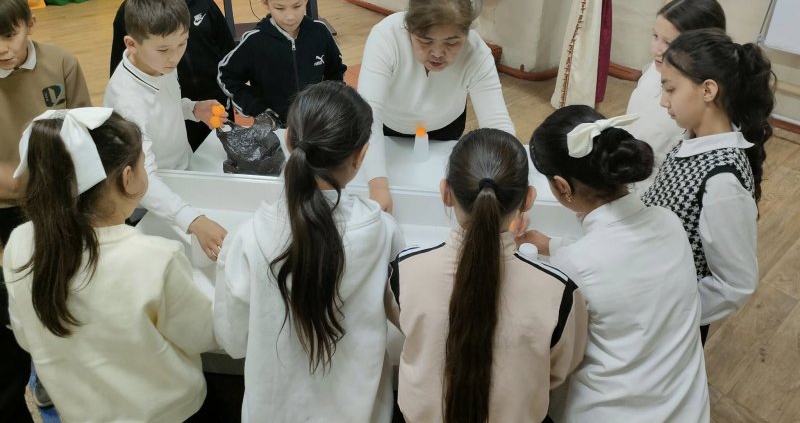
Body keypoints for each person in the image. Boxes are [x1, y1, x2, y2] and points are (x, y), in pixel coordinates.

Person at [3, 109, 216, 422]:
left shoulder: (20, 242)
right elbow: (202, 335)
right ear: (128, 178)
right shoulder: (156, 258)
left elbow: (25, 336)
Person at [214, 81, 404, 423]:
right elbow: (405, 316)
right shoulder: (383, 232)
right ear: (360, 156)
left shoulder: (248, 238)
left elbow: (232, 341)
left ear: (288, 141)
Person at [520, 106, 709, 422]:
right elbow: (617, 266)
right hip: (687, 406)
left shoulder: (577, 264)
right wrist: (551, 245)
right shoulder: (669, 222)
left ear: (562, 187)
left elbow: (551, 355)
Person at [391, 128, 587, 423]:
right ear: (528, 199)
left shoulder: (405, 270)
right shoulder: (559, 292)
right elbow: (558, 371)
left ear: (446, 192)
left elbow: (403, 324)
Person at [642, 29, 775, 343]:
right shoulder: (692, 137)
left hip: (667, 319)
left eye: (670, 89)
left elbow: (735, 284)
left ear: (708, 90)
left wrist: (667, 314)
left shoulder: (723, 183)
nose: (663, 101)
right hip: (652, 290)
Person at [0, 0, 91, 416]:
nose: (2, 48)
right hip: (7, 207)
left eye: (9, 34)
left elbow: (85, 129)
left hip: (58, 196)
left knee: (68, 285)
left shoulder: (61, 62)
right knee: (25, 292)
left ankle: (60, 369)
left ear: (30, 24)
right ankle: (41, 372)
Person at [358, 0, 514, 212]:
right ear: (409, 27)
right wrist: (378, 187)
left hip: (446, 127)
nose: (438, 53)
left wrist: (511, 193)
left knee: (434, 188)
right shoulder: (386, 37)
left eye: (452, 43)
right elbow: (369, 115)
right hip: (388, 128)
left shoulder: (476, 52)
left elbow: (497, 125)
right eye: (425, 41)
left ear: (466, 33)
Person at [105, 0, 228, 260]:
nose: (175, 57)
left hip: (181, 176)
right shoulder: (127, 103)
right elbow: (142, 179)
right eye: (163, 49)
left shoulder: (157, 62)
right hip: (152, 202)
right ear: (131, 44)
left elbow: (165, 103)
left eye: (182, 44)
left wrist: (192, 108)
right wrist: (192, 220)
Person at [109, 0, 235, 151]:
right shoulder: (129, 14)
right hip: (170, 120)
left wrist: (228, 87)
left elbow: (225, 43)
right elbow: (120, 64)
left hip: (208, 104)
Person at [217, 0, 346, 126]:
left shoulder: (320, 32)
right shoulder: (254, 41)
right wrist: (258, 109)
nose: (290, 16)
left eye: (297, 6)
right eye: (280, 8)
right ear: (265, 3)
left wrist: (329, 103)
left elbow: (335, 72)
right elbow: (226, 76)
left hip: (315, 124)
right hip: (274, 129)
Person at [626, 0, 726, 190]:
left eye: (669, 43)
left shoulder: (701, 104)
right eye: (655, 36)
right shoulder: (654, 72)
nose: (656, 49)